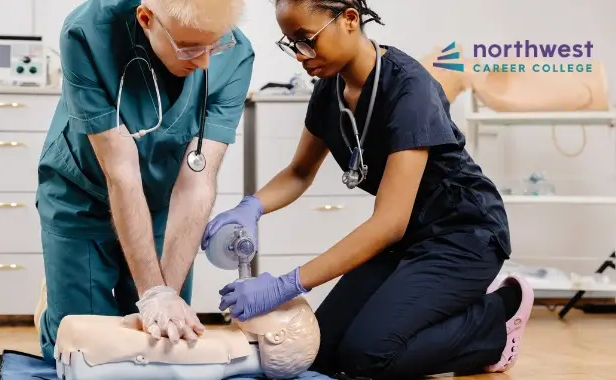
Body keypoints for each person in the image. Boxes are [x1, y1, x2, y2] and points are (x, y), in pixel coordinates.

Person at [201, 0, 535, 379]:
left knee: (368, 357)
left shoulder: (410, 90)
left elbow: (389, 222)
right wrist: (251, 206)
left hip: (464, 236)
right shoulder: (329, 89)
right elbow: (299, 172)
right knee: (322, 350)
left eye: (306, 40)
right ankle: (434, 302)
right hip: (409, 238)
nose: (299, 55)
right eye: (290, 43)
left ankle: (496, 319)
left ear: (349, 19)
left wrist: (287, 285)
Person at [35, 0, 254, 363]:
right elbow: (121, 172)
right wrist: (152, 292)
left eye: (214, 46)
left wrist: (165, 295)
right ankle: (55, 306)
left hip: (161, 200)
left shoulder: (237, 54)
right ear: (146, 18)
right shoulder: (88, 33)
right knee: (82, 344)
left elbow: (197, 181)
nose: (203, 63)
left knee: (163, 340)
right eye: (190, 48)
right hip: (82, 192)